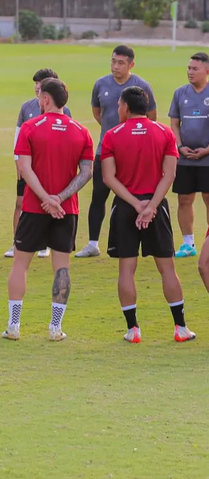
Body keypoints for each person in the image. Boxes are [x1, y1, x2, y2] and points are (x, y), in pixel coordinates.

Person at [101, 86, 195, 344]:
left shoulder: (111, 135)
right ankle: (180, 328)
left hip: (124, 209)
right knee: (167, 269)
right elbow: (170, 175)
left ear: (126, 107)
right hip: (157, 207)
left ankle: (133, 331)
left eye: (119, 105)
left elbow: (109, 178)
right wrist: (151, 206)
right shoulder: (164, 132)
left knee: (126, 269)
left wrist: (136, 205)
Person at [3, 78, 93, 341]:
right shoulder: (81, 131)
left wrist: (45, 198)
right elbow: (86, 172)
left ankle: (14, 326)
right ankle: (55, 328)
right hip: (67, 210)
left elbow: (24, 169)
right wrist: (59, 199)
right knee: (62, 268)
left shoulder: (31, 127)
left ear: (44, 99)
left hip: (33, 207)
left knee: (20, 264)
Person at [76, 44, 156, 258]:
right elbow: (97, 112)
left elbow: (151, 118)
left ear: (131, 64)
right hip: (106, 150)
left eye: (120, 62)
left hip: (133, 155)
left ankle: (140, 241)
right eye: (113, 61)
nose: (115, 66)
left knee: (135, 196)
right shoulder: (101, 84)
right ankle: (93, 243)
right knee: (98, 196)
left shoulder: (142, 86)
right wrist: (114, 133)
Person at [4, 68, 72, 259]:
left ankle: (45, 242)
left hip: (50, 166)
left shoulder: (64, 110)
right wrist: (17, 160)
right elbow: (18, 134)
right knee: (21, 203)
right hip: (28, 165)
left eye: (41, 84)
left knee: (49, 200)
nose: (37, 87)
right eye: (36, 83)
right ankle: (17, 241)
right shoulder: (27, 107)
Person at [169, 52, 209, 258]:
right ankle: (188, 244)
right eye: (189, 68)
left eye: (195, 69)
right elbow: (174, 124)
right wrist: (180, 146)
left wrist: (207, 150)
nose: (190, 72)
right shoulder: (180, 93)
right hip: (185, 157)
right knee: (185, 199)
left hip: (207, 158)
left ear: (206, 71)